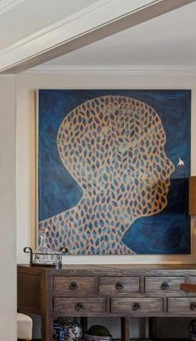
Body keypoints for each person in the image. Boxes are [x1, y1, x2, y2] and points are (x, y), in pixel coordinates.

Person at [38, 95, 175, 255]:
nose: (169, 166)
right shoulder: (48, 241)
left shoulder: (122, 253)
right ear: (105, 164)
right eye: (153, 152)